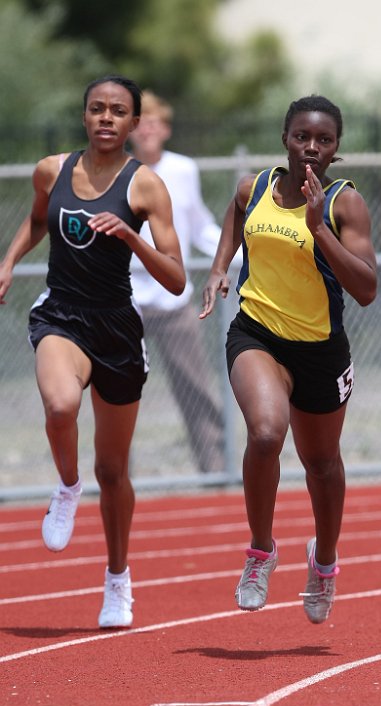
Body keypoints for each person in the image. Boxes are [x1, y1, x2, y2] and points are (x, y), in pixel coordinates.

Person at [0, 75, 186, 629]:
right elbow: (38, 219)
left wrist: (131, 237)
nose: (106, 118)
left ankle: (117, 579)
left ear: (133, 124)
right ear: (84, 117)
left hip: (118, 329)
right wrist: (9, 261)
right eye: (97, 109)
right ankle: (65, 485)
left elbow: (176, 279)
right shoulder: (51, 170)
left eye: (118, 111)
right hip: (61, 313)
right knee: (60, 406)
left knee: (113, 469)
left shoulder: (146, 186)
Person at [200, 95, 377, 624]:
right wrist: (217, 269)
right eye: (303, 136)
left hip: (321, 349)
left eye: (324, 140)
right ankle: (261, 551)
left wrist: (320, 227)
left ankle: (323, 561)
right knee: (265, 433)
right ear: (285, 138)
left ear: (335, 150)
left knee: (321, 464)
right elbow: (236, 217)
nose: (312, 148)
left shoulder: (346, 203)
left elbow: (367, 289)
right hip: (259, 333)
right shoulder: (253, 188)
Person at [128, 91, 224, 473]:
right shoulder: (118, 170)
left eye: (154, 122)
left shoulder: (183, 170)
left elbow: (200, 226)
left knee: (196, 386)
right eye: (140, 122)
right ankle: (119, 475)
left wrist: (240, 253)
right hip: (127, 297)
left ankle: (217, 468)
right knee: (119, 392)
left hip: (173, 296)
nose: (147, 129)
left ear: (165, 129)